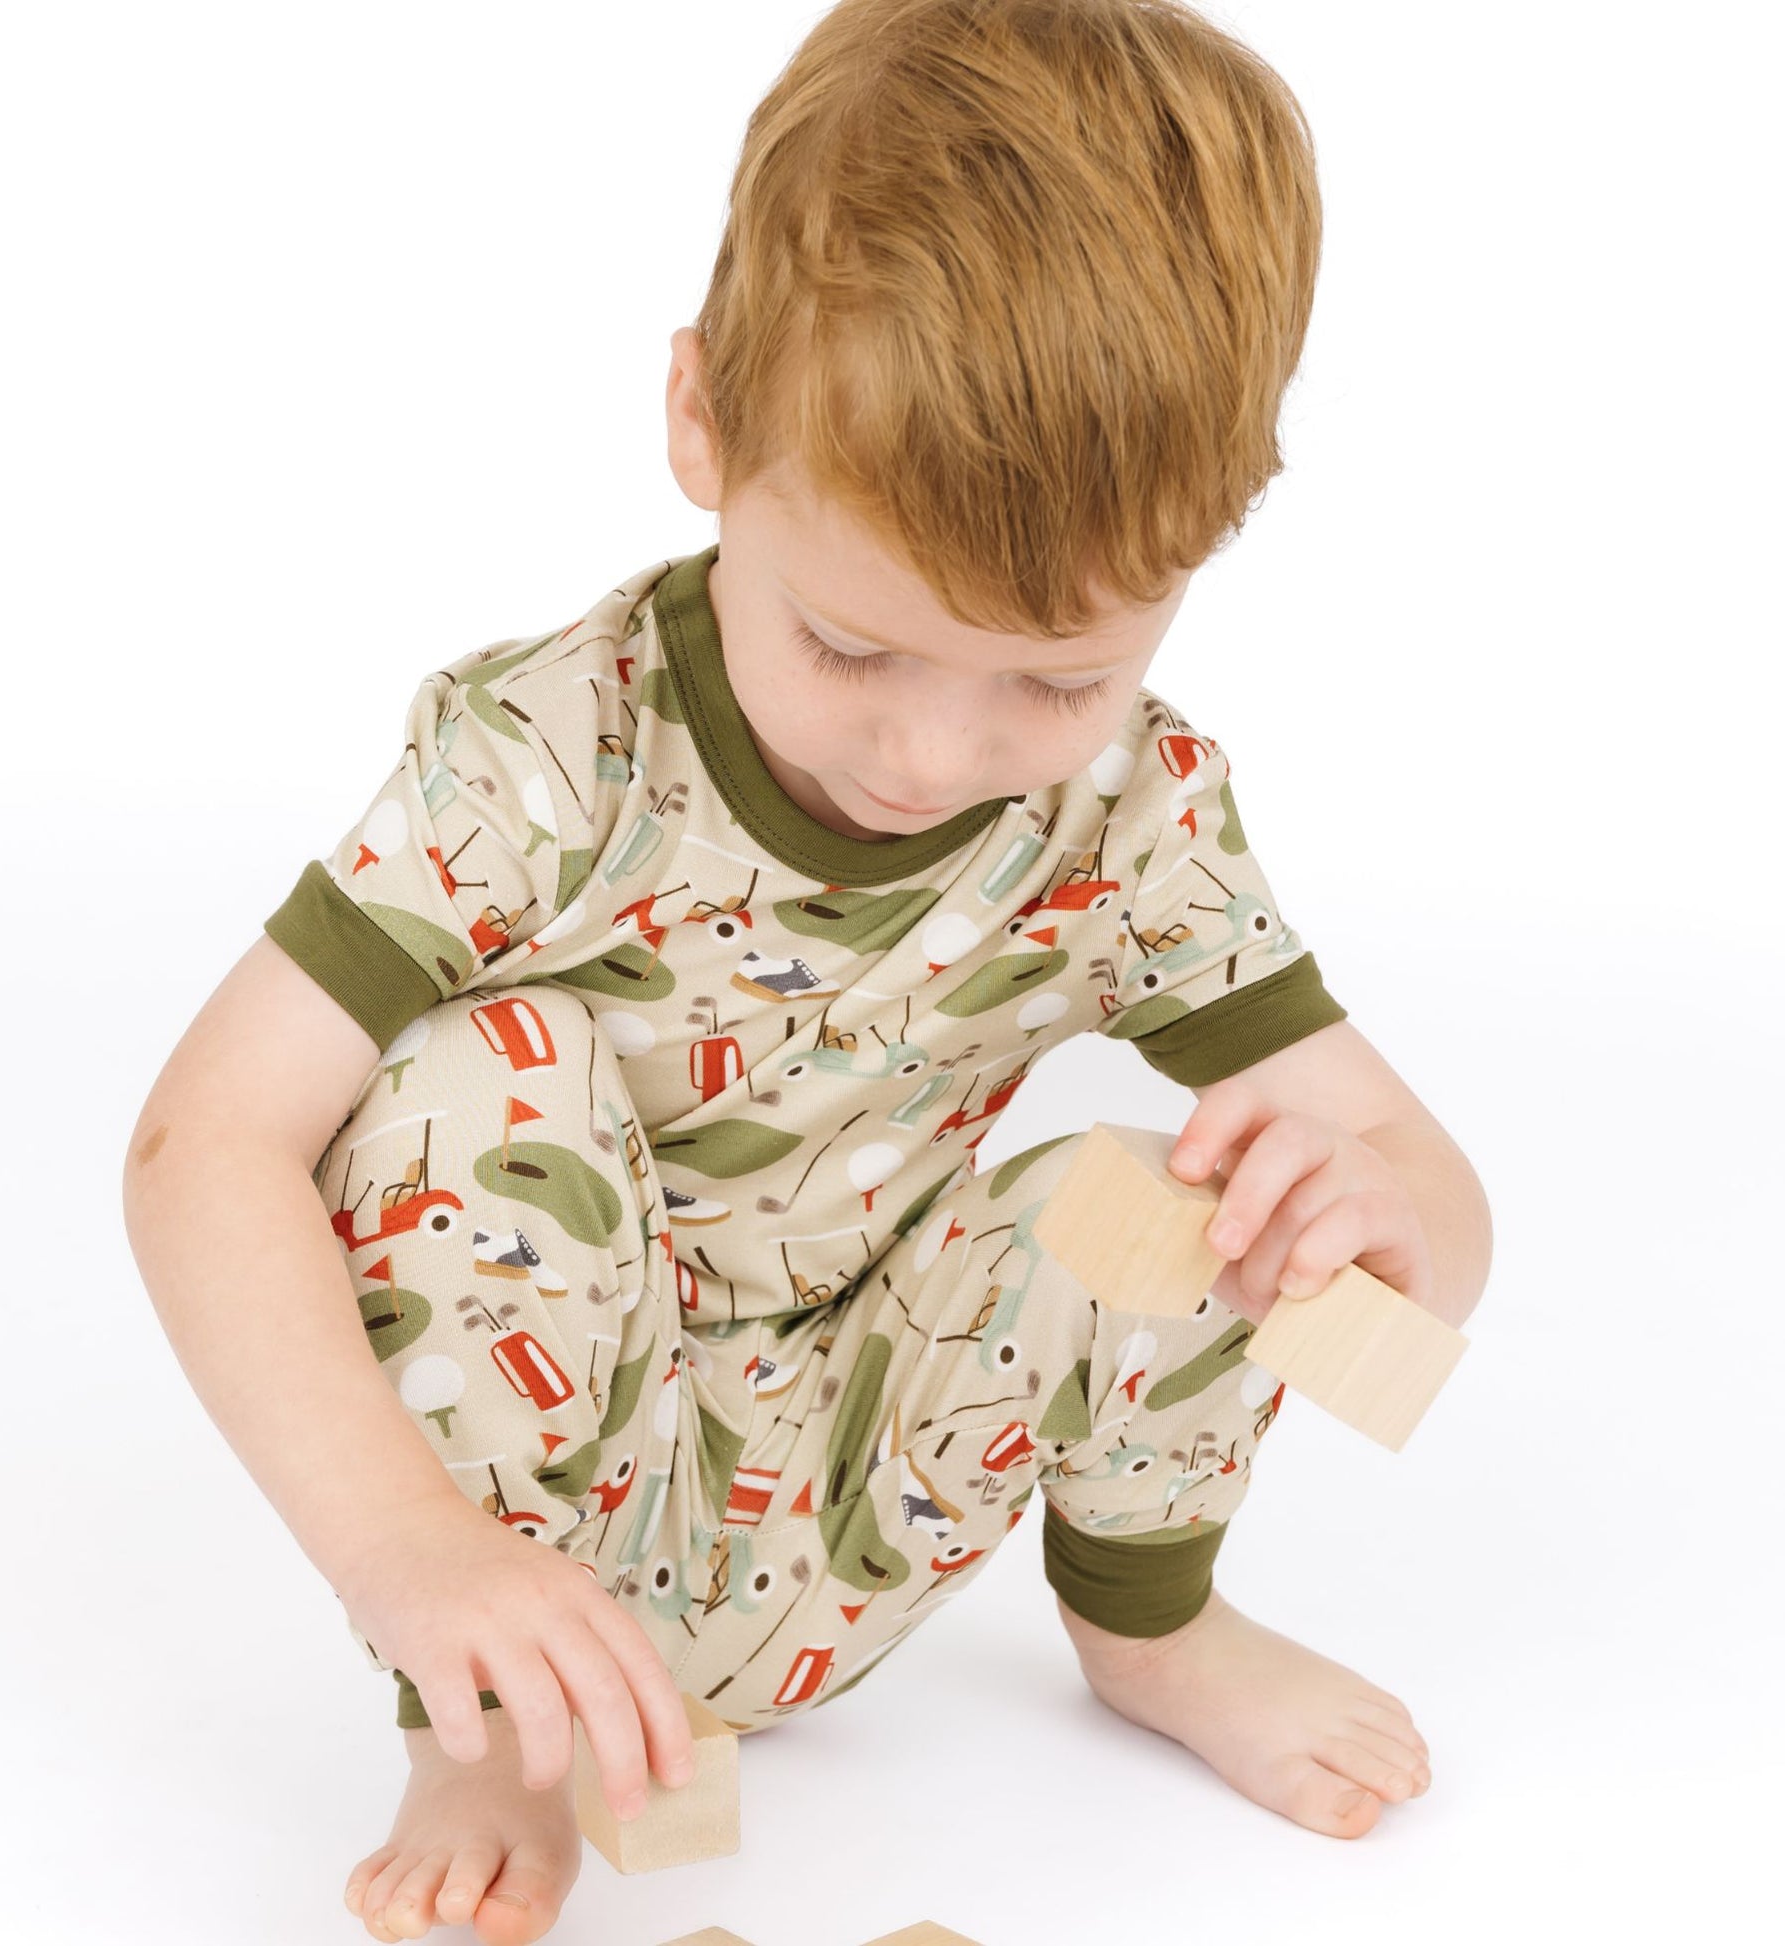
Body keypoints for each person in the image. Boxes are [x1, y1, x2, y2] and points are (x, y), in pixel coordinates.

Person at [122, 3, 1492, 1940]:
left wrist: (1376, 1228)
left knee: (1192, 1189)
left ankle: (1157, 1634)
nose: (928, 755)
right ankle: (495, 1737)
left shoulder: (1133, 812)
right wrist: (407, 1555)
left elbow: (1416, 1232)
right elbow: (202, 1146)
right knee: (467, 1070)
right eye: (852, 644)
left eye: (1056, 678)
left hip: (867, 1503)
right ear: (703, 424)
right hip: (533, 1558)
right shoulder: (546, 756)